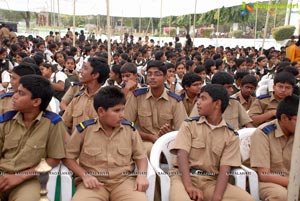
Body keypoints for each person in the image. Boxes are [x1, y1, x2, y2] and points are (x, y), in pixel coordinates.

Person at [169, 84, 255, 201]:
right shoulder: (189, 125)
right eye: (198, 98)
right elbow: (181, 154)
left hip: (210, 181)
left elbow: (225, 169)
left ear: (217, 104)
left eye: (203, 98)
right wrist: (189, 186)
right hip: (183, 176)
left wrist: (217, 196)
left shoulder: (231, 135)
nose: (198, 102)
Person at [63, 86, 148, 201]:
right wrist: (84, 175)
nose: (122, 114)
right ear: (101, 111)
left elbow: (141, 156)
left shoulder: (129, 129)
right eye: (117, 110)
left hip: (123, 181)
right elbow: (68, 157)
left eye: (123, 109)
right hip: (93, 182)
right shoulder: (84, 130)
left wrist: (142, 175)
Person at [0, 75, 66, 201]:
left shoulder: (53, 123)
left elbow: (54, 159)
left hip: (28, 179)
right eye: (16, 92)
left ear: (36, 102)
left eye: (21, 93)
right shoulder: (6, 121)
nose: (14, 96)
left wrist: (20, 176)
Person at [124, 60, 187, 156]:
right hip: (143, 141)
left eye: (157, 74)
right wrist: (150, 137)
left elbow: (182, 129)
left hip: (168, 141)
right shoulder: (137, 96)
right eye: (149, 74)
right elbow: (126, 125)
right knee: (149, 150)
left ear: (166, 77)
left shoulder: (174, 100)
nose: (152, 77)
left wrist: (167, 134)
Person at [250, 94, 299, 201]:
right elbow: (264, 175)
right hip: (268, 182)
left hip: (294, 180)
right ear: (284, 118)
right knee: (283, 196)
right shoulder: (263, 134)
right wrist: (295, 186)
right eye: (298, 120)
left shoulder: (297, 133)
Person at [62, 56, 110, 133]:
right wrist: (71, 142)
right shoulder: (78, 98)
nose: (81, 71)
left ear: (95, 75)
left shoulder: (108, 100)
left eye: (85, 68)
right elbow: (63, 124)